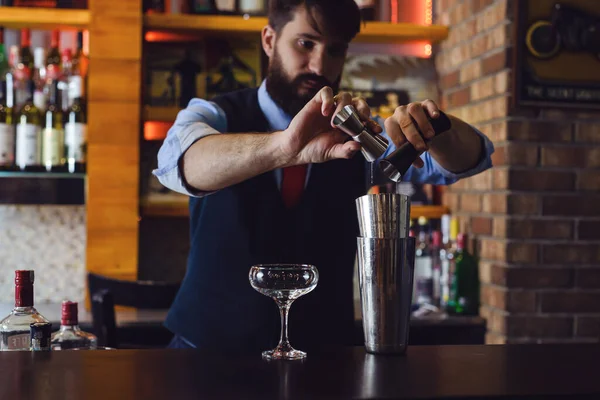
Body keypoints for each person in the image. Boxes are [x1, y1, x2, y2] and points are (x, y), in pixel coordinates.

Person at [155, 0, 494, 351]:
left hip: (323, 360)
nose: (320, 65)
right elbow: (180, 163)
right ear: (269, 40)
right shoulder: (214, 115)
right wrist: (285, 147)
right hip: (206, 354)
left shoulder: (357, 133)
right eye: (306, 44)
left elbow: (467, 160)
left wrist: (437, 128)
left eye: (335, 50)